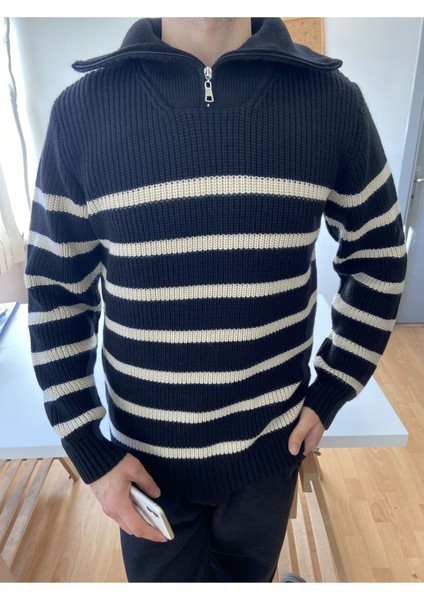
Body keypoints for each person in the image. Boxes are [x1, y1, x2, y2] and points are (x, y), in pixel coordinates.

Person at [25, 17, 407, 582]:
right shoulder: (81, 113)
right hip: (142, 467)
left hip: (269, 454)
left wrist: (333, 387)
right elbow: (56, 292)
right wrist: (86, 447)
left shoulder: (331, 102)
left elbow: (379, 254)